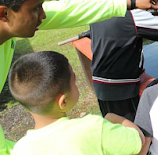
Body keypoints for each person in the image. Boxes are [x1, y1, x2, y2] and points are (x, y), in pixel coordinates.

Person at [0, 0, 158, 154]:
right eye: (37, 8)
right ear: (4, 14)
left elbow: (68, 10)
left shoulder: (25, 147)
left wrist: (131, 2)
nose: (44, 15)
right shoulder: (93, 129)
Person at [8, 51, 145, 155]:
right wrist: (115, 119)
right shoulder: (93, 128)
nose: (77, 81)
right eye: (74, 79)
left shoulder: (20, 149)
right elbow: (137, 141)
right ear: (63, 101)